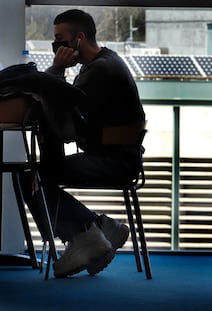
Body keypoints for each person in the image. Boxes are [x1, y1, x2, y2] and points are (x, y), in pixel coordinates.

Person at [20, 9, 146, 278]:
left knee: (33, 178)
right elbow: (71, 117)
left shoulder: (99, 71)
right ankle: (96, 226)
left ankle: (84, 234)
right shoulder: (105, 62)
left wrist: (56, 70)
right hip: (118, 156)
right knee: (41, 173)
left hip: (115, 162)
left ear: (78, 38)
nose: (56, 45)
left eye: (59, 38)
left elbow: (66, 130)